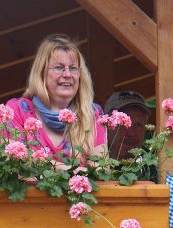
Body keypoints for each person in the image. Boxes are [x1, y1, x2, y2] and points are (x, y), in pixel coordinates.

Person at [6, 34, 107, 162]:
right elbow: (17, 166)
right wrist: (74, 172)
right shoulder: (17, 110)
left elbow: (100, 171)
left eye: (73, 68)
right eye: (59, 68)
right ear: (41, 72)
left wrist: (40, 164)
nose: (67, 74)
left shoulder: (92, 113)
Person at [103, 91, 150, 160]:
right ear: (106, 126)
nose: (131, 133)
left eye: (138, 125)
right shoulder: (93, 165)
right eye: (123, 123)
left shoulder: (156, 164)